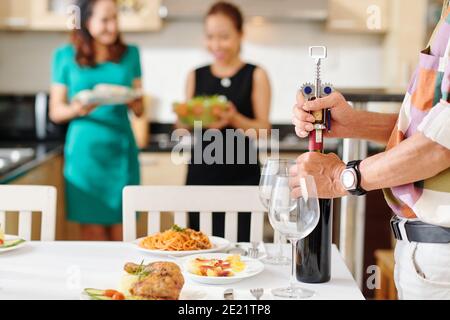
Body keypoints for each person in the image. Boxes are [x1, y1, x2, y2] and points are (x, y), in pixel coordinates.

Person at [291, 2, 450, 299]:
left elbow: (438, 147)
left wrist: (341, 177)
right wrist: (355, 123)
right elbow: (430, 130)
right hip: (427, 255)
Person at [49, 0, 143, 241]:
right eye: (104, 20)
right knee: (92, 236)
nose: (112, 26)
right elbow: (56, 111)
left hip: (120, 152)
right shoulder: (64, 56)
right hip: (85, 156)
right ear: (86, 21)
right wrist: (77, 108)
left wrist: (134, 101)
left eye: (115, 19)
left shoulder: (130, 54)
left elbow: (140, 108)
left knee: (125, 235)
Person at [179, 1, 271, 241]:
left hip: (242, 176)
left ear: (241, 35)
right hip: (201, 176)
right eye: (210, 37)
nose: (216, 45)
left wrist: (234, 118)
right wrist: (188, 118)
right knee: (199, 248)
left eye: (224, 37)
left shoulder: (255, 74)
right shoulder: (195, 75)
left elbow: (264, 130)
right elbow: (181, 129)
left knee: (242, 249)